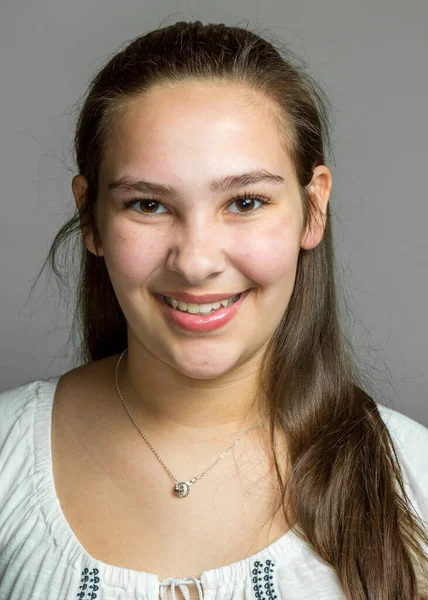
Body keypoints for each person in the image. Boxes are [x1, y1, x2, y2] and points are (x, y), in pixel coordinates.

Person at [0, 20, 427, 600]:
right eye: (148, 204)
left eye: (245, 201)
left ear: (313, 209)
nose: (197, 261)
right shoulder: (6, 456)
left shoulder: (414, 479)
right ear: (90, 219)